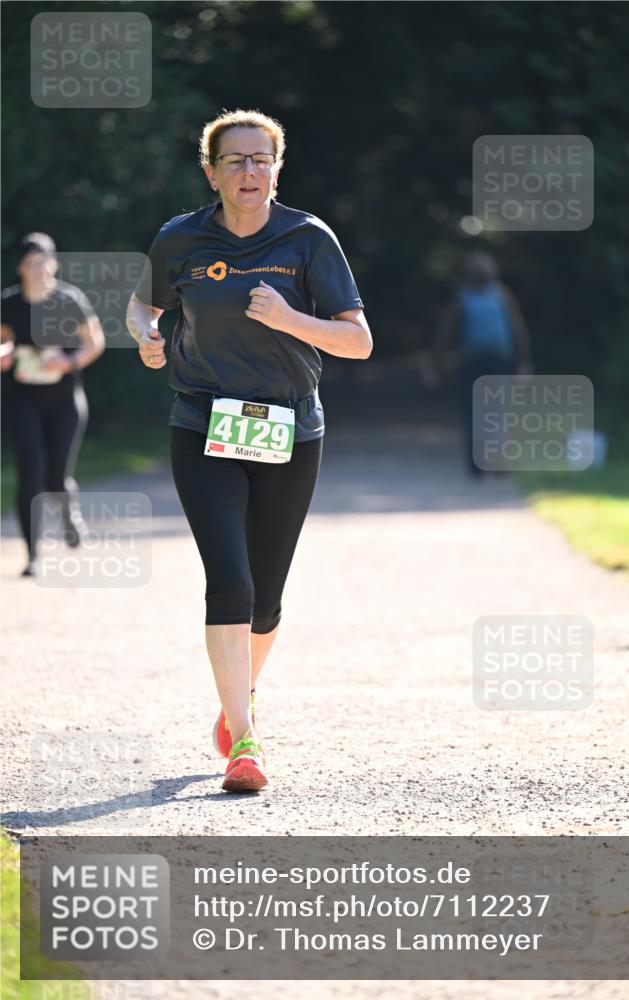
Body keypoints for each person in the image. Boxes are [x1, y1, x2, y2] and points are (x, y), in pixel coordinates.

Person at [127, 109, 372, 793]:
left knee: (265, 597)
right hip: (201, 424)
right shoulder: (180, 238)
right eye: (234, 160)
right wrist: (147, 334)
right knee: (228, 579)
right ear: (211, 171)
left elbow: (358, 341)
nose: (249, 172)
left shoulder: (306, 239)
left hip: (289, 429)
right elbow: (142, 305)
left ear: (277, 167)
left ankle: (237, 700)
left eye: (261, 159)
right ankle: (245, 740)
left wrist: (290, 319)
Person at [1, 233, 105, 575]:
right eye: (31, 263)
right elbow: (3, 344)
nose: (39, 270)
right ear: (20, 268)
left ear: (55, 264)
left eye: (44, 262)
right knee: (31, 470)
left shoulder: (68, 299)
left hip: (64, 399)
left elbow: (94, 342)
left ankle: (67, 513)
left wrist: (68, 361)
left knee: (56, 477)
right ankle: (32, 555)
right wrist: (5, 355)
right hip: (21, 398)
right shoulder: (9, 304)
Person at [433, 252, 532, 476]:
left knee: (479, 414)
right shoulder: (497, 294)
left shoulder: (471, 296)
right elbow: (518, 331)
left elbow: (446, 331)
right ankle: (493, 465)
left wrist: (437, 363)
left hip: (481, 362)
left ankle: (481, 466)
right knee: (493, 413)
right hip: (489, 361)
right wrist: (524, 362)